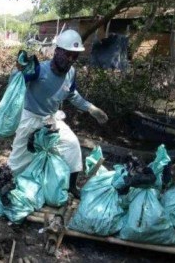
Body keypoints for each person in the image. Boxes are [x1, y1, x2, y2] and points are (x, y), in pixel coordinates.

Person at [8, 29, 108, 198]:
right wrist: (18, 71)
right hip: (30, 118)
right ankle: (6, 183)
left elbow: (72, 95)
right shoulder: (39, 70)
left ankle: (71, 187)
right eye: (68, 54)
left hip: (51, 119)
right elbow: (14, 85)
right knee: (19, 160)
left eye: (75, 56)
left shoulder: (71, 73)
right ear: (57, 51)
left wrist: (91, 109)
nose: (70, 60)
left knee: (72, 146)